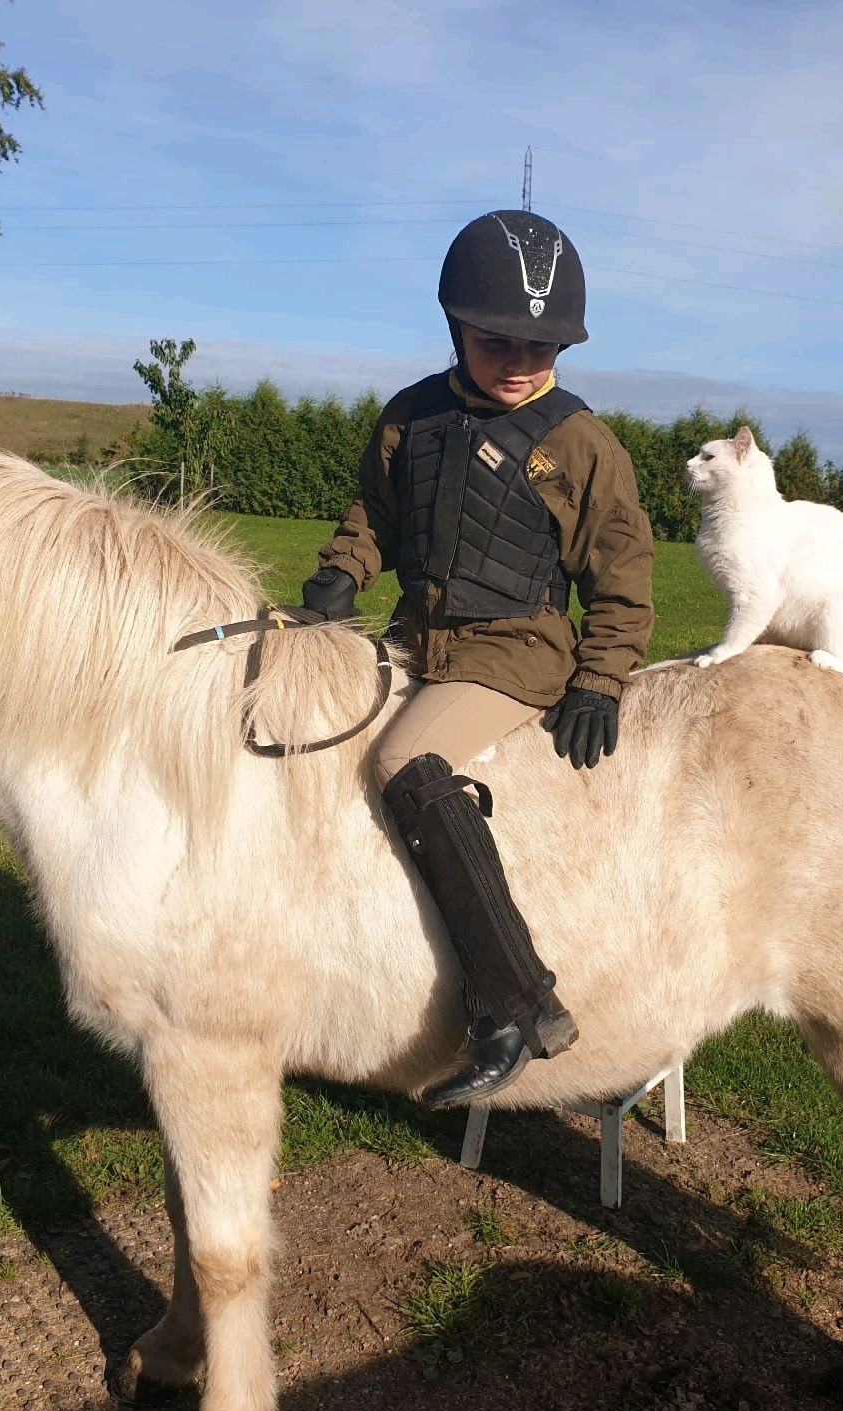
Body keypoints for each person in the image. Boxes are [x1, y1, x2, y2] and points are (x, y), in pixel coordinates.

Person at [302, 210, 655, 1108]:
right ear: (456, 326)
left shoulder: (580, 443)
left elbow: (623, 574)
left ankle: (516, 1004)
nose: (521, 362)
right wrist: (343, 573)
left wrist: (600, 679)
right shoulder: (412, 415)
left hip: (514, 652)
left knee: (402, 761)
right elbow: (377, 515)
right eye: (499, 341)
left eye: (543, 346)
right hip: (416, 637)